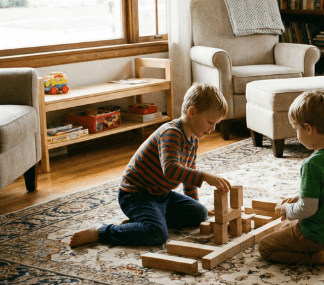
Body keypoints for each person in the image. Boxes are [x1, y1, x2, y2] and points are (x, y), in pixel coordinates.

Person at [69, 83, 232, 247]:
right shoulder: (171, 133)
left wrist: (194, 205)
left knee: (200, 213)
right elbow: (171, 170)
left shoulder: (193, 139)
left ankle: (140, 223)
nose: (213, 128)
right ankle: (101, 232)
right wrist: (204, 177)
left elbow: (188, 175)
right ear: (192, 112)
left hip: (161, 194)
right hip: (136, 195)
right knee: (157, 234)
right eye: (211, 122)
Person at [257, 90, 324, 266]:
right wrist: (299, 196)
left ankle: (319, 257)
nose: (296, 133)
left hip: (317, 236)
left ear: (309, 129)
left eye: (296, 128)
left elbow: (307, 209)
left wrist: (287, 209)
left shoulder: (312, 164)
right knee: (286, 230)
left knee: (265, 247)